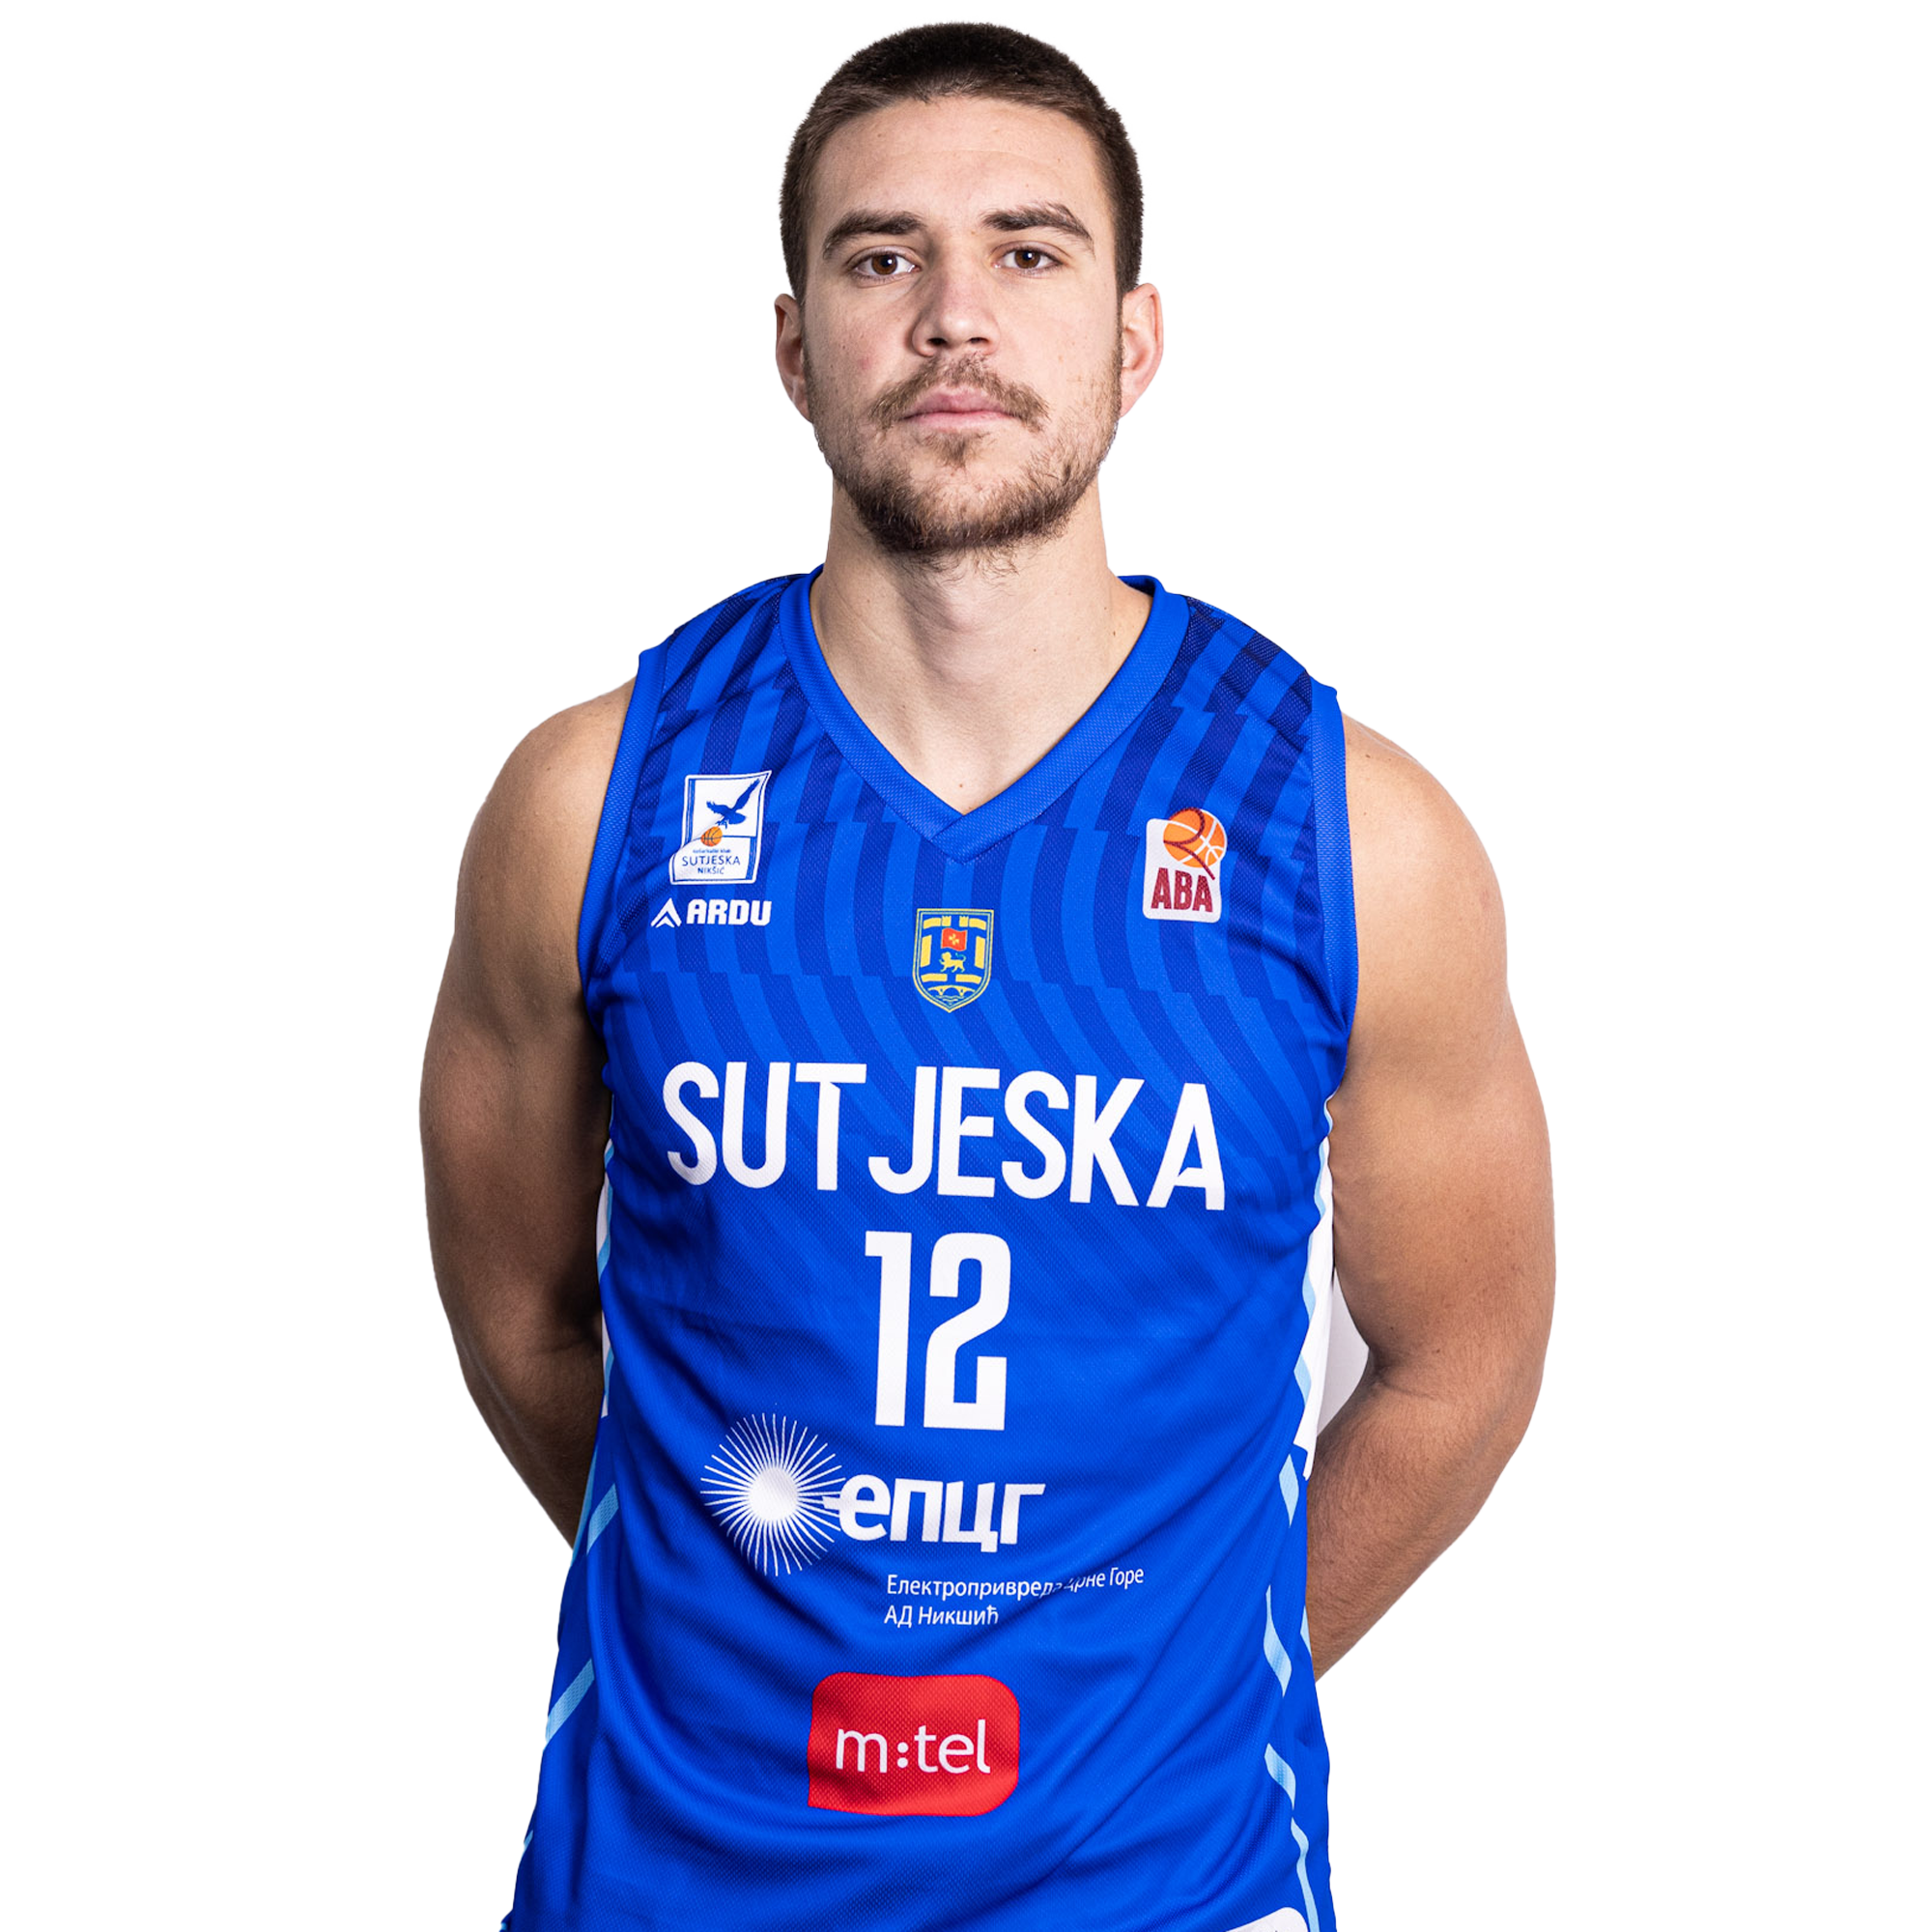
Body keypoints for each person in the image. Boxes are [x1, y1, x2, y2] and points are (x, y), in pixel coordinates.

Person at [420, 20, 1552, 1931]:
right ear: (798, 345)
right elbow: (521, 1323)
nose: (956, 314)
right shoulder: (592, 801)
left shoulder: (1347, 832)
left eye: (1029, 251)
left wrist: (1173, 1695)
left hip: (1164, 1887)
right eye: (885, 256)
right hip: (673, 1876)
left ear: (1131, 338)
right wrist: (732, 1613)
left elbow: (1465, 1363)